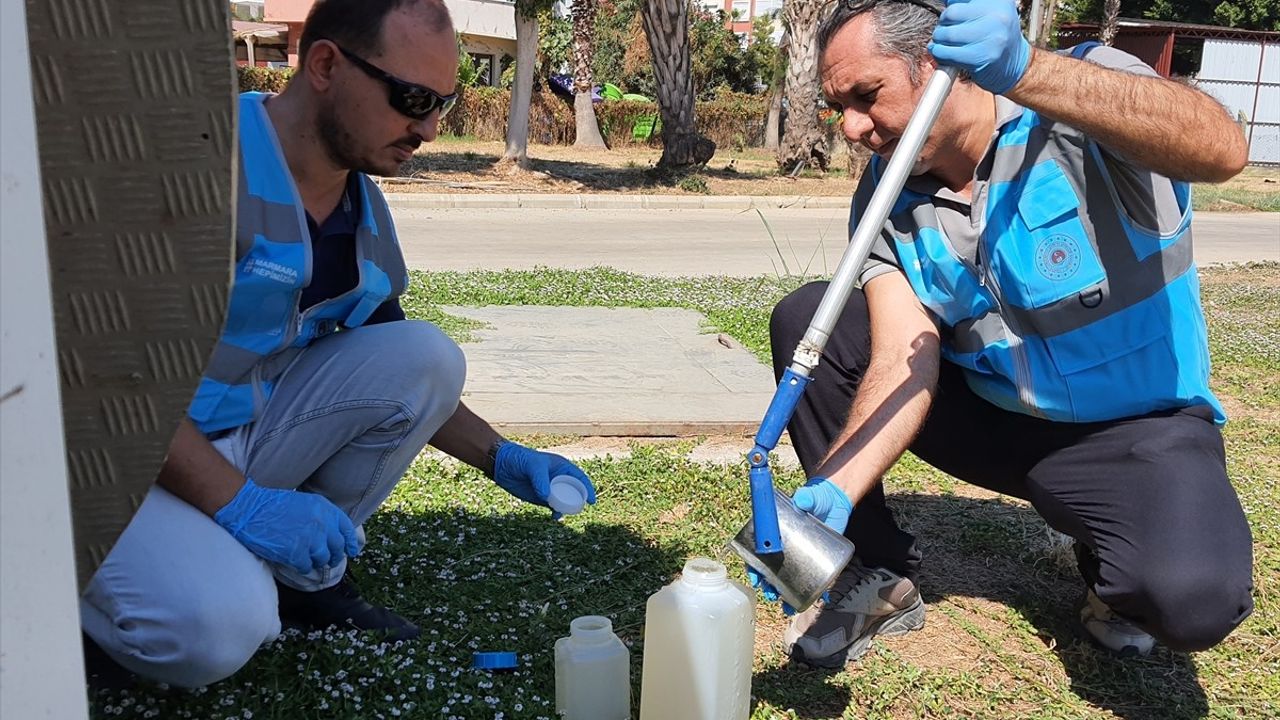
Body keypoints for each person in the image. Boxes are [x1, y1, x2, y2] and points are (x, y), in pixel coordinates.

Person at [80, 0, 596, 688]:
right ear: (325, 64)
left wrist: (502, 457)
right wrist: (241, 505)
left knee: (427, 355)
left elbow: (393, 355)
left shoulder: (362, 208)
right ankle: (73, 595)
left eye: (445, 102)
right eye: (412, 98)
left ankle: (298, 582)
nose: (430, 128)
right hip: (116, 456)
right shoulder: (194, 167)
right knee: (214, 631)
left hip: (239, 435)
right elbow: (102, 380)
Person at [759, 0, 1254, 667]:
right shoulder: (886, 197)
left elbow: (1221, 149)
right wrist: (839, 489)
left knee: (1191, 599)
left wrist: (1025, 69)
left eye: (866, 96)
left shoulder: (1078, 102)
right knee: (811, 317)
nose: (851, 126)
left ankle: (1112, 556)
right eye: (837, 106)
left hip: (1138, 429)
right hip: (997, 423)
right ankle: (876, 570)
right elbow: (901, 355)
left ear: (938, 66)